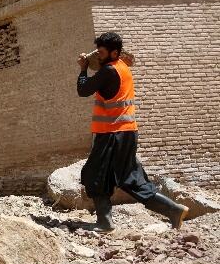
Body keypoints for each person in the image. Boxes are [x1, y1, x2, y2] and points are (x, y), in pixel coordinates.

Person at [77, 32, 189, 232]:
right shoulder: (122, 68)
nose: (98, 56)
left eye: (101, 53)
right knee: (120, 177)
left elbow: (83, 90)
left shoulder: (109, 71)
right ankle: (172, 211)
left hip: (112, 134)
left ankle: (106, 222)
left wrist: (83, 69)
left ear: (113, 53)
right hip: (125, 133)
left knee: (97, 175)